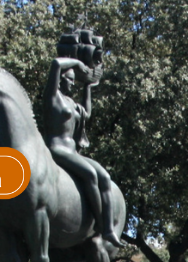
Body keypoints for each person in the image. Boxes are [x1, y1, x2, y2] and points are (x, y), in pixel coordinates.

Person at [41, 40, 123, 246]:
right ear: (59, 81)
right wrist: (77, 64)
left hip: (72, 152)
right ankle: (102, 225)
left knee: (104, 176)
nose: (71, 82)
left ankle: (108, 228)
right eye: (69, 79)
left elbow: (86, 111)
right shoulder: (52, 98)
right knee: (90, 175)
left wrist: (88, 85)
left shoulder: (71, 103)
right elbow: (56, 64)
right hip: (55, 148)